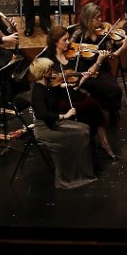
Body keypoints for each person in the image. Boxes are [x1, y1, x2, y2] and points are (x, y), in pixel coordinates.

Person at [40, 26, 117, 160]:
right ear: (55, 42)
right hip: (59, 98)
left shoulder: (73, 56)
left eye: (68, 39)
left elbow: (82, 77)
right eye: (65, 40)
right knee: (87, 107)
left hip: (74, 92)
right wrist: (62, 84)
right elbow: (46, 85)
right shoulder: (48, 61)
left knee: (94, 105)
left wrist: (98, 62)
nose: (69, 42)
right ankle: (86, 146)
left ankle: (105, 144)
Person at [27, 57, 98, 189]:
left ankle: (84, 171)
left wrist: (79, 80)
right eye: (50, 70)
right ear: (43, 73)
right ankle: (71, 176)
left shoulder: (47, 86)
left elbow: (64, 89)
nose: (53, 72)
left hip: (53, 124)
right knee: (80, 134)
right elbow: (43, 114)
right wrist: (64, 116)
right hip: (45, 129)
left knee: (85, 128)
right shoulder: (37, 91)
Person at [71, 1, 127, 123]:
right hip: (85, 72)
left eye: (101, 17)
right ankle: (98, 111)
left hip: (102, 69)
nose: (100, 20)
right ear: (88, 19)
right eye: (97, 18)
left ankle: (112, 110)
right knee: (100, 88)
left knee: (115, 89)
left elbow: (113, 49)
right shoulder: (78, 34)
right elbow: (71, 52)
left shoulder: (103, 33)